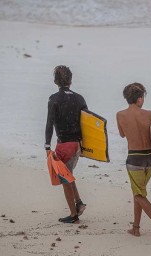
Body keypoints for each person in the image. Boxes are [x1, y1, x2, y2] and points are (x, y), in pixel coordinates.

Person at [116, 82, 151, 244]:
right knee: (139, 192)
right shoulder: (149, 114)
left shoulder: (120, 115)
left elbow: (122, 134)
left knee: (139, 194)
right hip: (149, 159)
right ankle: (136, 228)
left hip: (134, 159)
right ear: (139, 99)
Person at [45, 65, 87, 224]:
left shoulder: (54, 99)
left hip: (64, 145)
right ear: (70, 80)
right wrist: (84, 147)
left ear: (56, 81)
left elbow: (49, 124)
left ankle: (73, 215)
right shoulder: (80, 98)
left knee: (64, 179)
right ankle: (79, 203)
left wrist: (47, 146)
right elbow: (86, 124)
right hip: (76, 145)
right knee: (68, 174)